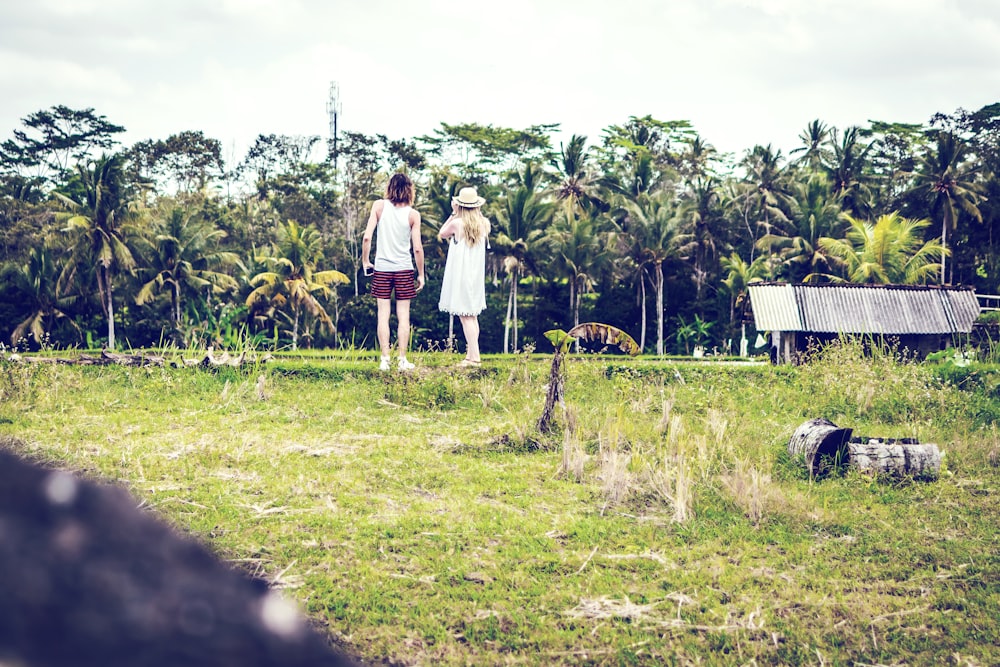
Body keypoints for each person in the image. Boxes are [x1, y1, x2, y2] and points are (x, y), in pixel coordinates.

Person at [362, 173, 425, 371]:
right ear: (410, 190)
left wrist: (366, 261)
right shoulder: (413, 215)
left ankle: (385, 359)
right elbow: (417, 248)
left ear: (389, 187)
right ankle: (403, 360)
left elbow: (366, 237)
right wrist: (421, 274)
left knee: (383, 314)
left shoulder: (379, 206)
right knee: (403, 315)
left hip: (382, 268)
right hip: (404, 268)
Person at [437, 186, 490, 367]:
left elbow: (442, 233)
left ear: (460, 204)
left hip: (461, 275)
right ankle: (471, 355)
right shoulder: (484, 224)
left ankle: (474, 357)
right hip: (475, 276)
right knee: (472, 316)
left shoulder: (457, 223)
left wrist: (453, 213)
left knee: (466, 316)